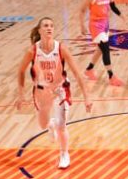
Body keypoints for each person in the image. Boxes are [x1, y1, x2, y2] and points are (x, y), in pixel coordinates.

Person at [17, 17, 92, 169]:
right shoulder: (32, 51)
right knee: (43, 124)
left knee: (62, 125)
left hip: (60, 90)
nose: (49, 28)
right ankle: (50, 125)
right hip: (41, 91)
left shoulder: (61, 49)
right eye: (45, 26)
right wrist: (21, 95)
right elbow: (20, 71)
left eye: (51, 25)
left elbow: (78, 73)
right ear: (39, 30)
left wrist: (87, 97)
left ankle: (64, 153)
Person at [80, 0, 125, 87]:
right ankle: (111, 76)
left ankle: (89, 70)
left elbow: (113, 7)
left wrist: (122, 15)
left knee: (100, 49)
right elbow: (82, 11)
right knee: (105, 49)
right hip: (95, 25)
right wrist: (82, 26)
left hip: (105, 24)